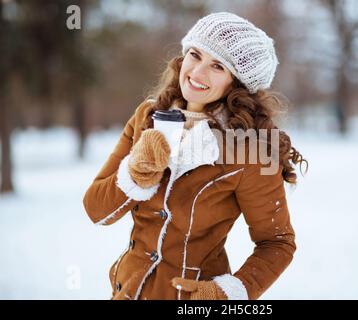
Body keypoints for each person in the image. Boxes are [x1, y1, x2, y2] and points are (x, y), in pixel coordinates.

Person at [83, 11, 308, 300]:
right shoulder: (147, 117)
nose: (197, 73)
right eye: (195, 54)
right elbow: (96, 210)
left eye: (217, 66)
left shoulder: (250, 150)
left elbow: (277, 242)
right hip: (127, 292)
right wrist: (135, 175)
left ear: (236, 84)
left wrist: (226, 293)